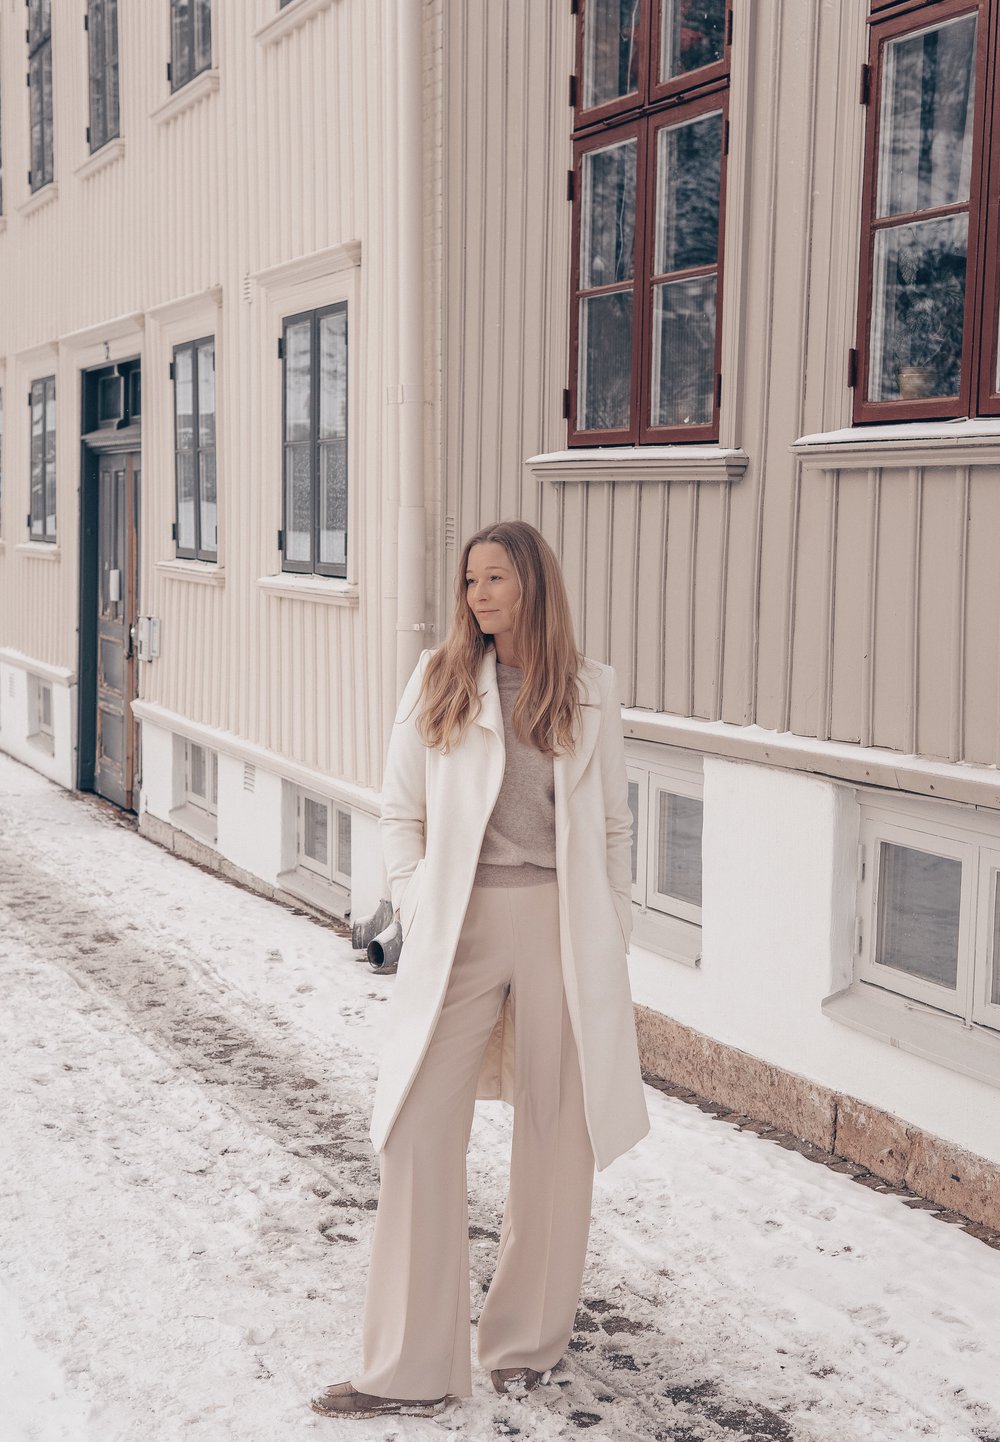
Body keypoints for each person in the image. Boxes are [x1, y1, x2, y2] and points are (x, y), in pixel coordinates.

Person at [311, 520, 649, 1420]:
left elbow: (613, 826)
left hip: (561, 926)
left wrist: (612, 922)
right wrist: (418, 902)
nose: (477, 596)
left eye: (495, 578)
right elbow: (398, 811)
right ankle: (408, 1368)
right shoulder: (440, 678)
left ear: (534, 583)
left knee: (556, 1130)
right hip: (457, 925)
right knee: (415, 1127)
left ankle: (525, 1343)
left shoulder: (587, 691)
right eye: (469, 582)